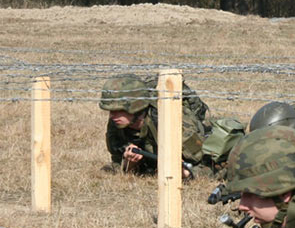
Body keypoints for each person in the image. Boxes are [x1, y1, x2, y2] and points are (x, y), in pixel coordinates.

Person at [99, 75, 244, 178]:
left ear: (135, 107)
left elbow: (209, 164)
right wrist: (130, 164)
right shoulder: (118, 123)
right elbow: (118, 163)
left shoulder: (172, 123)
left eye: (118, 110)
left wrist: (186, 172)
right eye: (110, 110)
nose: (112, 115)